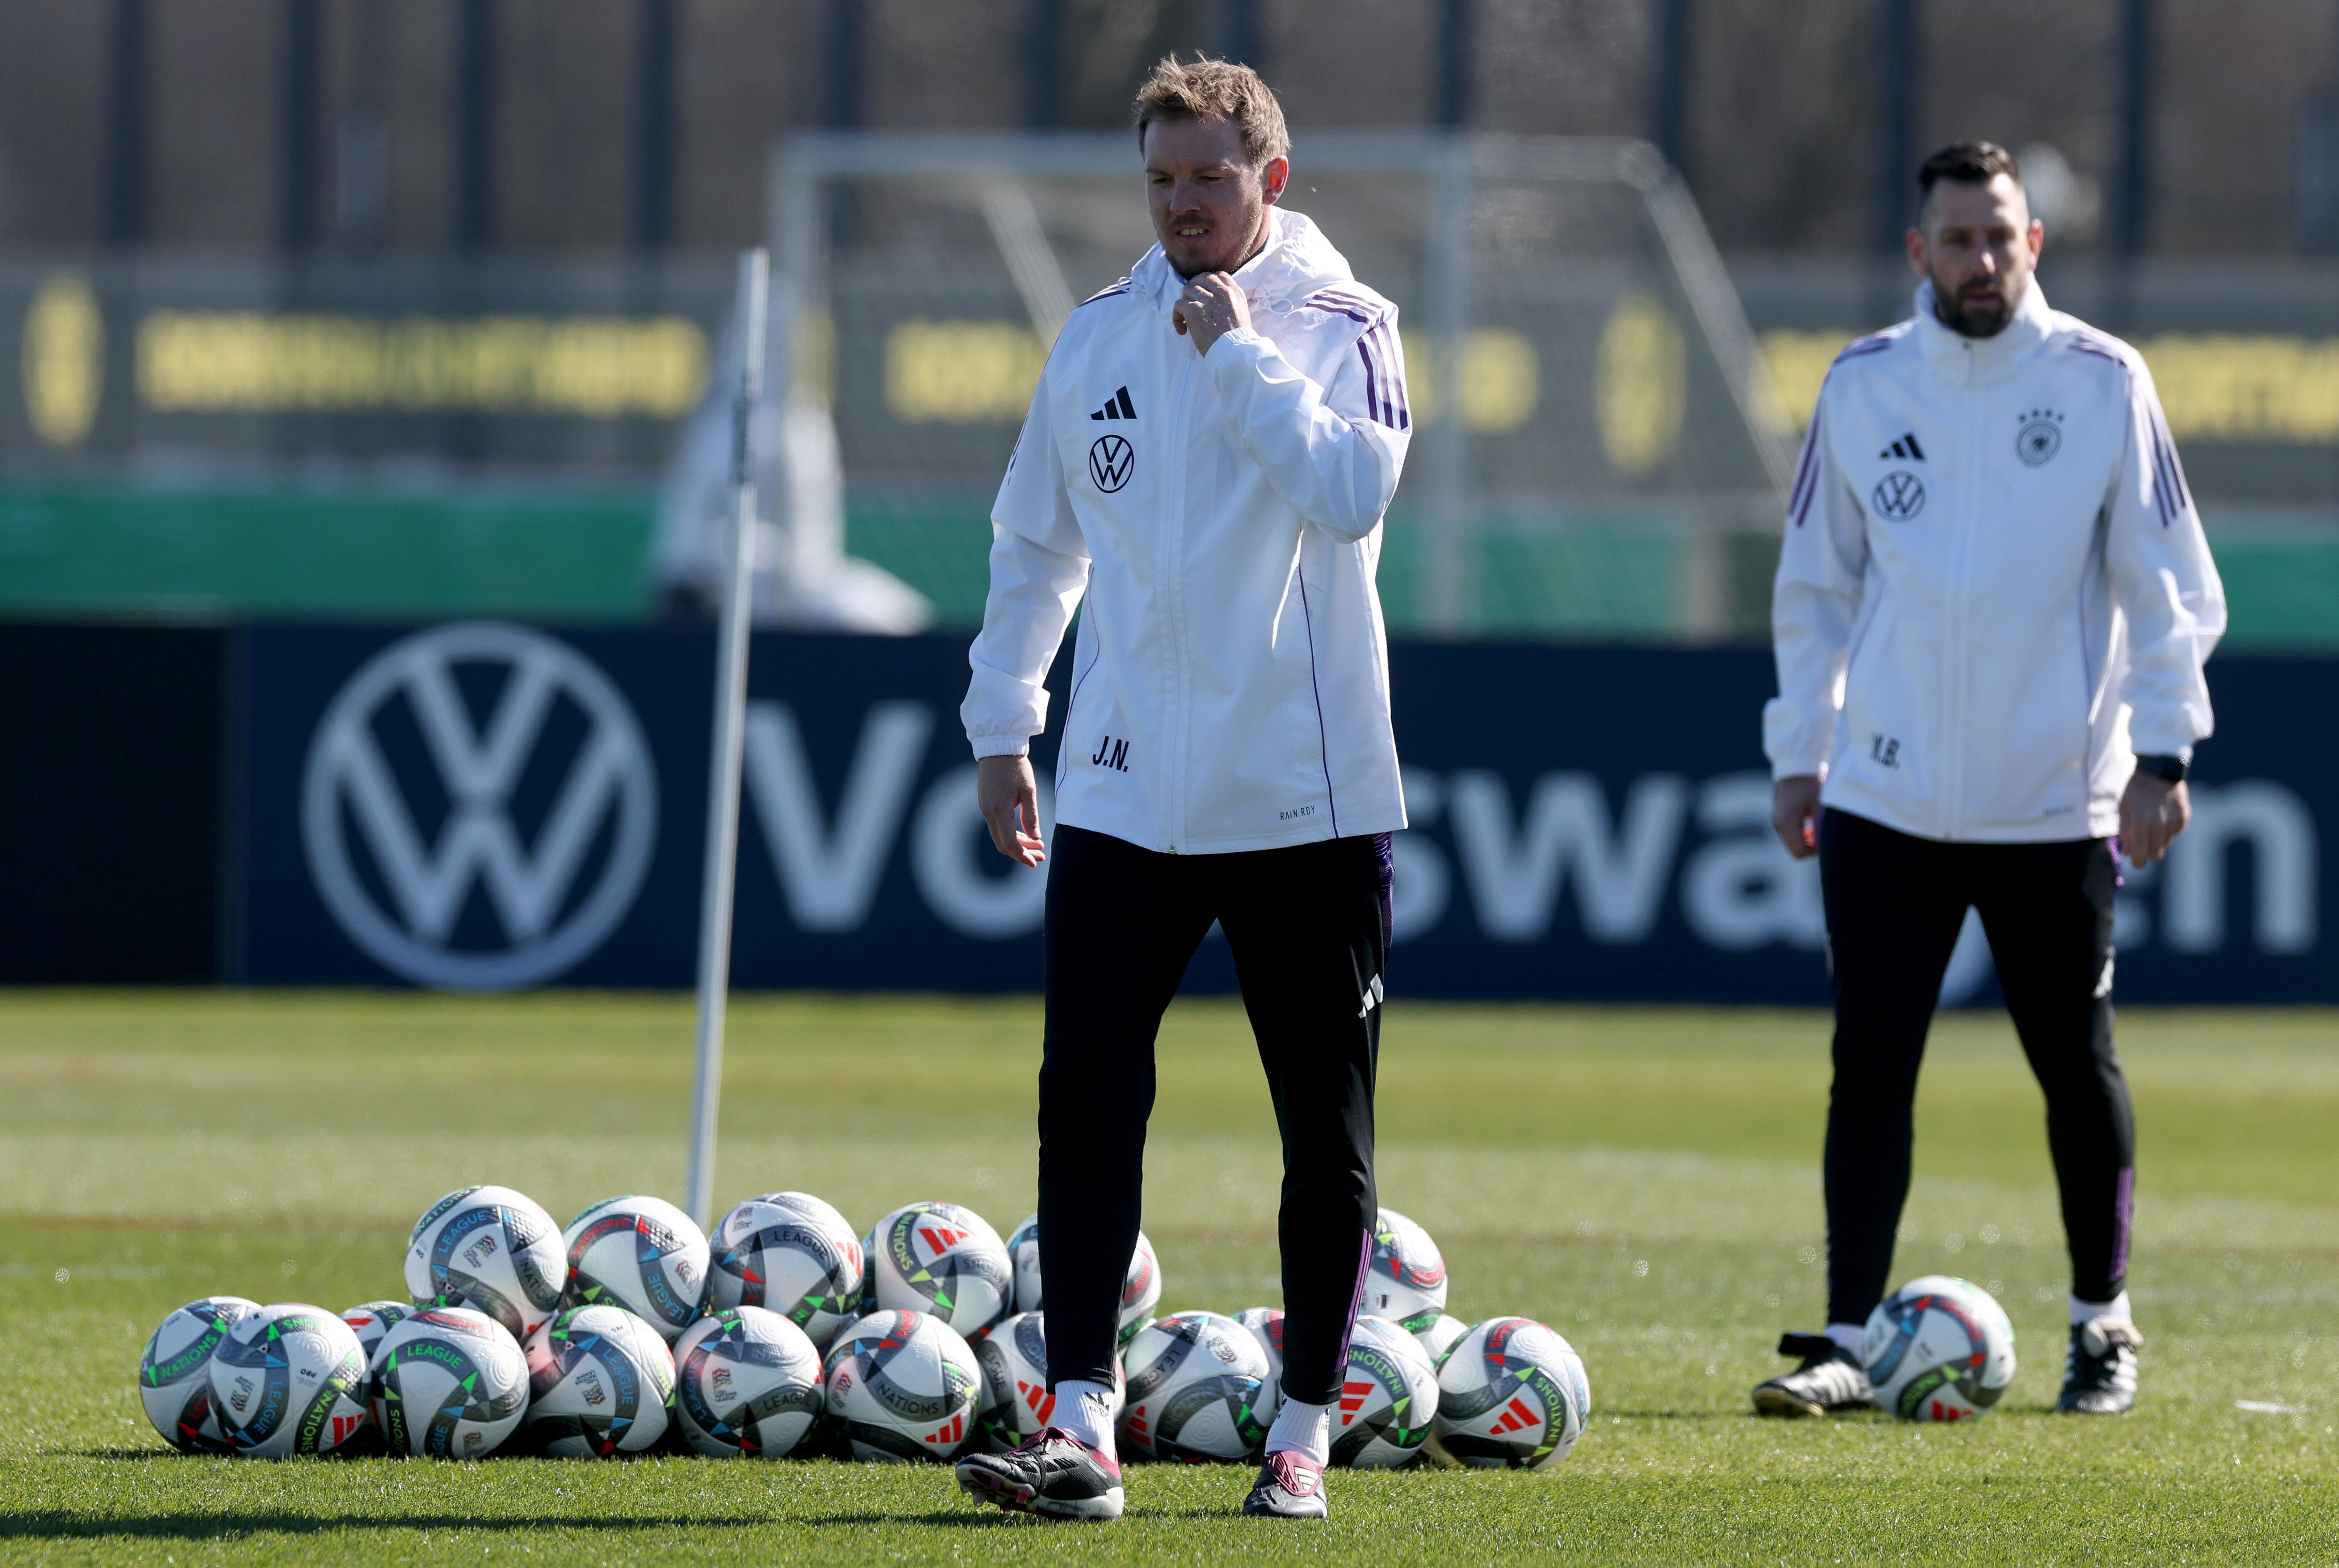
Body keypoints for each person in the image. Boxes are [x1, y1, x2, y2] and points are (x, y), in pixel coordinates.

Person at [949, 56, 1410, 1521]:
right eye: (1161, 181)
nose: (1182, 208)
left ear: (1270, 179)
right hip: (1126, 793)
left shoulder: (1346, 324)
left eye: (1209, 179)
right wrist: (1003, 720)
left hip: (1306, 799)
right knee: (1083, 1099)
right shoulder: (1096, 336)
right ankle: (1079, 1426)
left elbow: (1353, 491)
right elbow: (1037, 544)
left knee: (1321, 1129)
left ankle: (1302, 1430)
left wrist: (1236, 355)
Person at [1754, 142, 2224, 1421]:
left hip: (2053, 803)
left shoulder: (2101, 382)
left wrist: (2165, 751)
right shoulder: (1861, 385)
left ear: (2035, 244)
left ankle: (2101, 1324)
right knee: (1873, 1064)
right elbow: (1814, 585)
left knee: (2076, 1063)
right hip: (1887, 800)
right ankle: (1849, 1333)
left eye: (2000, 237)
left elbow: (2170, 586)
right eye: (1956, 239)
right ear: (1919, 252)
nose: (1980, 260)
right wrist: (1803, 749)